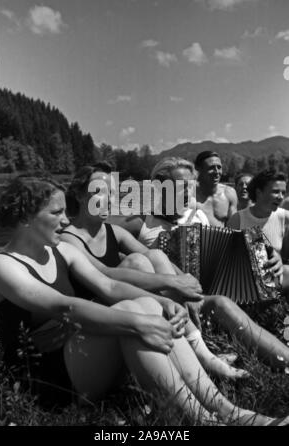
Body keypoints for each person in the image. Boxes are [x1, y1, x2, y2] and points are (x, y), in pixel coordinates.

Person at [0, 175, 281, 426]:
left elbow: (108, 284)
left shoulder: (60, 252)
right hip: (47, 375)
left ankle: (228, 410)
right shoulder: (3, 265)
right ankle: (203, 420)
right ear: (25, 217)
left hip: (84, 354)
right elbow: (63, 306)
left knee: (143, 306)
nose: (66, 219)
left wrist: (163, 303)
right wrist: (138, 321)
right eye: (56, 213)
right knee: (133, 313)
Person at [61, 163, 247, 380]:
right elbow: (105, 275)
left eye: (112, 193)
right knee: (137, 262)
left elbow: (159, 259)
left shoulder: (114, 231)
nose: (109, 200)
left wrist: (186, 280)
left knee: (155, 256)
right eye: (99, 193)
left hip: (132, 307)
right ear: (80, 196)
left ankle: (200, 352)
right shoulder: (68, 237)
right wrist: (170, 282)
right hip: (100, 319)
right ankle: (200, 356)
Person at [108, 157, 289, 370]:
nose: (188, 194)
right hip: (178, 299)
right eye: (180, 188)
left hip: (218, 281)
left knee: (286, 271)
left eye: (190, 187)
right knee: (221, 303)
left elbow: (234, 241)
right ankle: (284, 359)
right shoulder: (140, 220)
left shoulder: (198, 214)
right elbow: (99, 233)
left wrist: (271, 254)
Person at [228, 168, 289, 293]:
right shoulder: (237, 219)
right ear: (259, 192)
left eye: (283, 192)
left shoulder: (285, 217)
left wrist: (281, 264)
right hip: (243, 284)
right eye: (276, 192)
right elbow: (227, 260)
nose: (281, 197)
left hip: (276, 283)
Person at [195, 151, 238, 227]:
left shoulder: (229, 193)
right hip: (191, 237)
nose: (217, 172)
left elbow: (233, 227)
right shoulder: (185, 192)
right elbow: (172, 223)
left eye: (219, 167)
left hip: (221, 238)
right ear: (198, 169)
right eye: (211, 168)